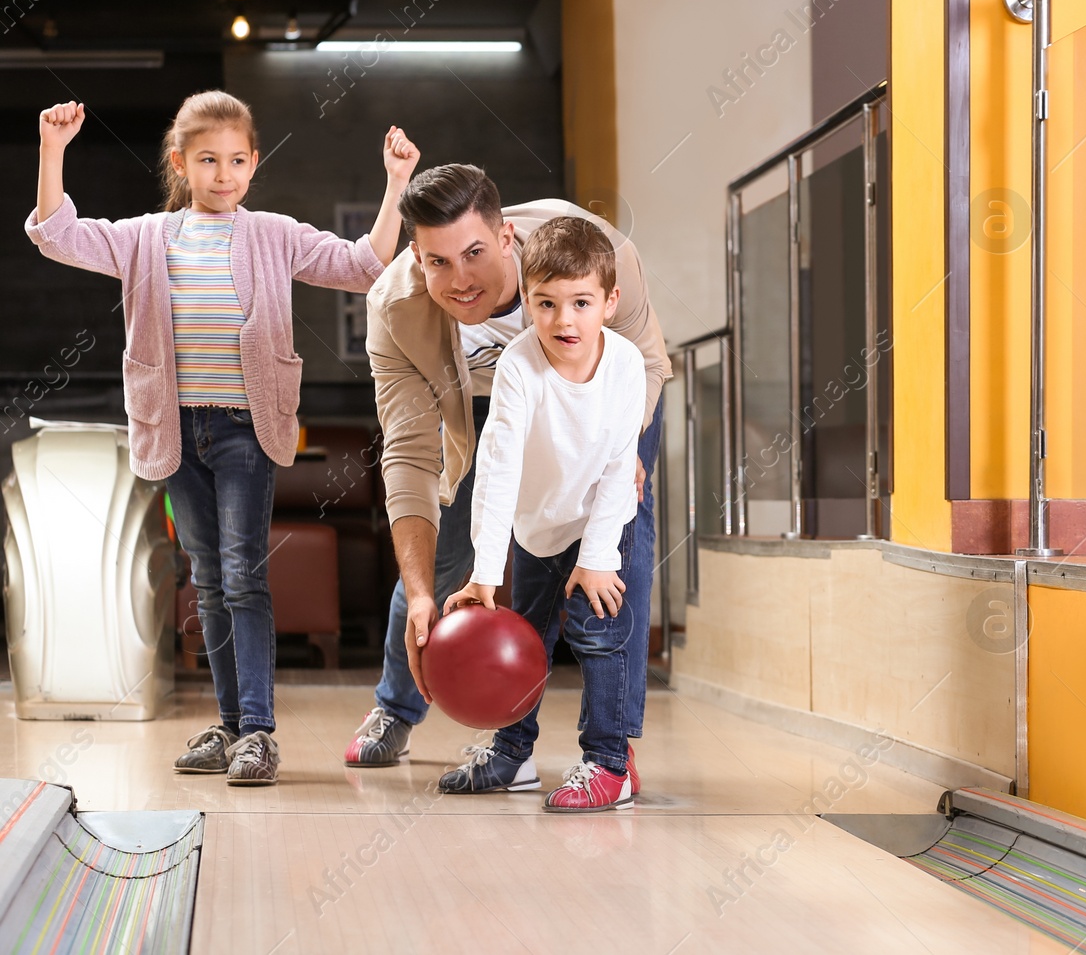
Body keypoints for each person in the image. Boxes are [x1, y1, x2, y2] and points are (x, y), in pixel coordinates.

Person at [26, 93, 418, 787]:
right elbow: (57, 235)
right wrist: (53, 150)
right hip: (175, 425)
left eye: (238, 160)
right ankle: (233, 725)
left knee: (243, 575)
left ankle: (259, 730)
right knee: (208, 581)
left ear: (255, 163)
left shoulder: (271, 232)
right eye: (209, 160)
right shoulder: (147, 235)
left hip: (244, 426)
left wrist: (394, 185)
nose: (225, 172)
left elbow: (362, 264)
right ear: (180, 163)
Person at [345, 165, 670, 795]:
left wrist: (622, 453)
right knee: (453, 568)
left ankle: (612, 751)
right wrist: (430, 591)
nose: (460, 280)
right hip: (488, 407)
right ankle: (412, 707)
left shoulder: (591, 251)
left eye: (473, 254)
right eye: (438, 262)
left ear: (508, 239)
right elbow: (411, 458)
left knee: (611, 569)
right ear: (417, 254)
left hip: (611, 399)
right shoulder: (394, 308)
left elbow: (648, 362)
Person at [440, 215, 645, 810]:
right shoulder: (518, 367)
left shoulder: (627, 365)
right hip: (535, 528)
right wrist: (485, 573)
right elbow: (497, 468)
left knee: (598, 632)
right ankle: (513, 753)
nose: (564, 320)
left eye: (581, 302)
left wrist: (600, 555)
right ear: (527, 302)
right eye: (547, 303)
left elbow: (617, 464)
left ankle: (608, 763)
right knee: (524, 635)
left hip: (601, 521)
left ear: (609, 301)